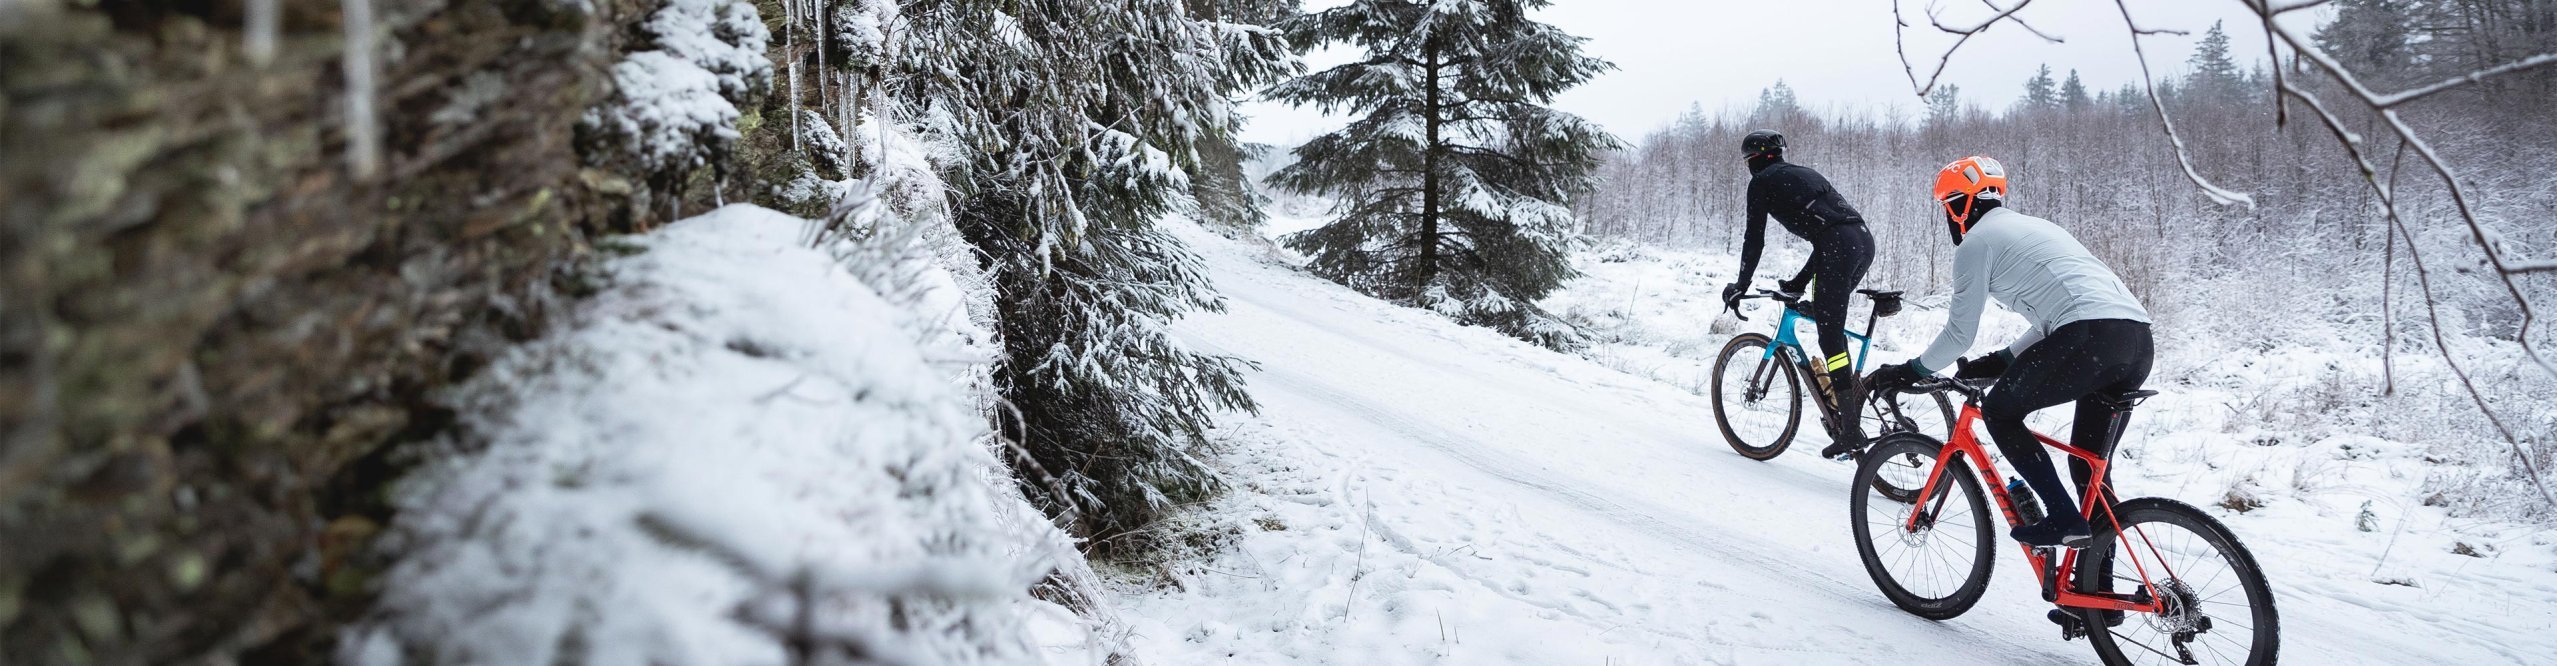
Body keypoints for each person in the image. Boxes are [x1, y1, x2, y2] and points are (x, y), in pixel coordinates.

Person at [1865, 156, 2154, 548]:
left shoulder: (1977, 243)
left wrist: (1909, 371)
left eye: (1948, 207)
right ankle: (2097, 602)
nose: (1949, 217)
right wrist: (2000, 361)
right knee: (2089, 472)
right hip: (2135, 341)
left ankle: (2061, 516)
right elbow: (2056, 316)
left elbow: (1958, 336)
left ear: (1960, 206)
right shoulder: (2038, 228)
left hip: (2088, 336)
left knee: (2000, 413)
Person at [1721, 130, 1876, 460]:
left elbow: (1754, 239)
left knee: (1830, 337)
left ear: (1753, 161)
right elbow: (1829, 235)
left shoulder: (1761, 182)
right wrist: (1797, 283)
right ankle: (1844, 403)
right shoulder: (1804, 173)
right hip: (1862, 241)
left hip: (1838, 247)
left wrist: (1741, 285)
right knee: (1825, 315)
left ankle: (1849, 430)